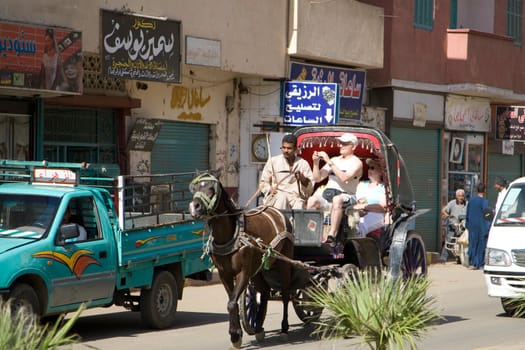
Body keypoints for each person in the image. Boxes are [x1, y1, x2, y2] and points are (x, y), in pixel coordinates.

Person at [306, 132, 363, 243]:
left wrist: (328, 161)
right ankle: (311, 232)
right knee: (312, 200)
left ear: (353, 146)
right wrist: (316, 163)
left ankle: (331, 234)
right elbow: (317, 178)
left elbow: (344, 178)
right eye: (340, 143)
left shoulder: (356, 162)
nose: (341, 145)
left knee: (337, 199)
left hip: (347, 196)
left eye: (345, 143)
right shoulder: (335, 160)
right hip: (328, 195)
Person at [259, 134, 313, 210]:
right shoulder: (273, 162)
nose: (285, 151)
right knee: (282, 198)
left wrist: (303, 179)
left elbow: (310, 189)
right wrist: (270, 189)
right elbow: (263, 183)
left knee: (299, 204)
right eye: (283, 148)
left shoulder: (303, 164)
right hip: (277, 196)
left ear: (295, 149)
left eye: (289, 148)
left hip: (295, 197)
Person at [352, 158, 388, 239]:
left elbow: (382, 207)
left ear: (381, 172)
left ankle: (356, 249)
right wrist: (357, 209)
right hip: (357, 212)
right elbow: (352, 198)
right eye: (369, 167)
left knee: (360, 226)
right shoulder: (361, 184)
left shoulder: (384, 187)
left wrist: (364, 207)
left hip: (376, 214)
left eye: (372, 168)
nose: (369, 170)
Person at [466, 182, 490, 269]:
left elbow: (467, 213)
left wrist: (467, 225)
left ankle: (472, 262)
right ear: (484, 191)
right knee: (481, 245)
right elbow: (486, 215)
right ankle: (479, 263)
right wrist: (488, 227)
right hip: (481, 227)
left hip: (472, 226)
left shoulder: (471, 200)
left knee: (472, 244)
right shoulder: (484, 201)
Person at [439, 188, 467, 263]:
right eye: (459, 196)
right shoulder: (452, 203)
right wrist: (449, 216)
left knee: (466, 241)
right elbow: (443, 210)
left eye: (462, 196)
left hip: (464, 225)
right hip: (453, 224)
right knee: (449, 241)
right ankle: (443, 258)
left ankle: (462, 258)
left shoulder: (467, 204)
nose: (461, 197)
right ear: (456, 196)